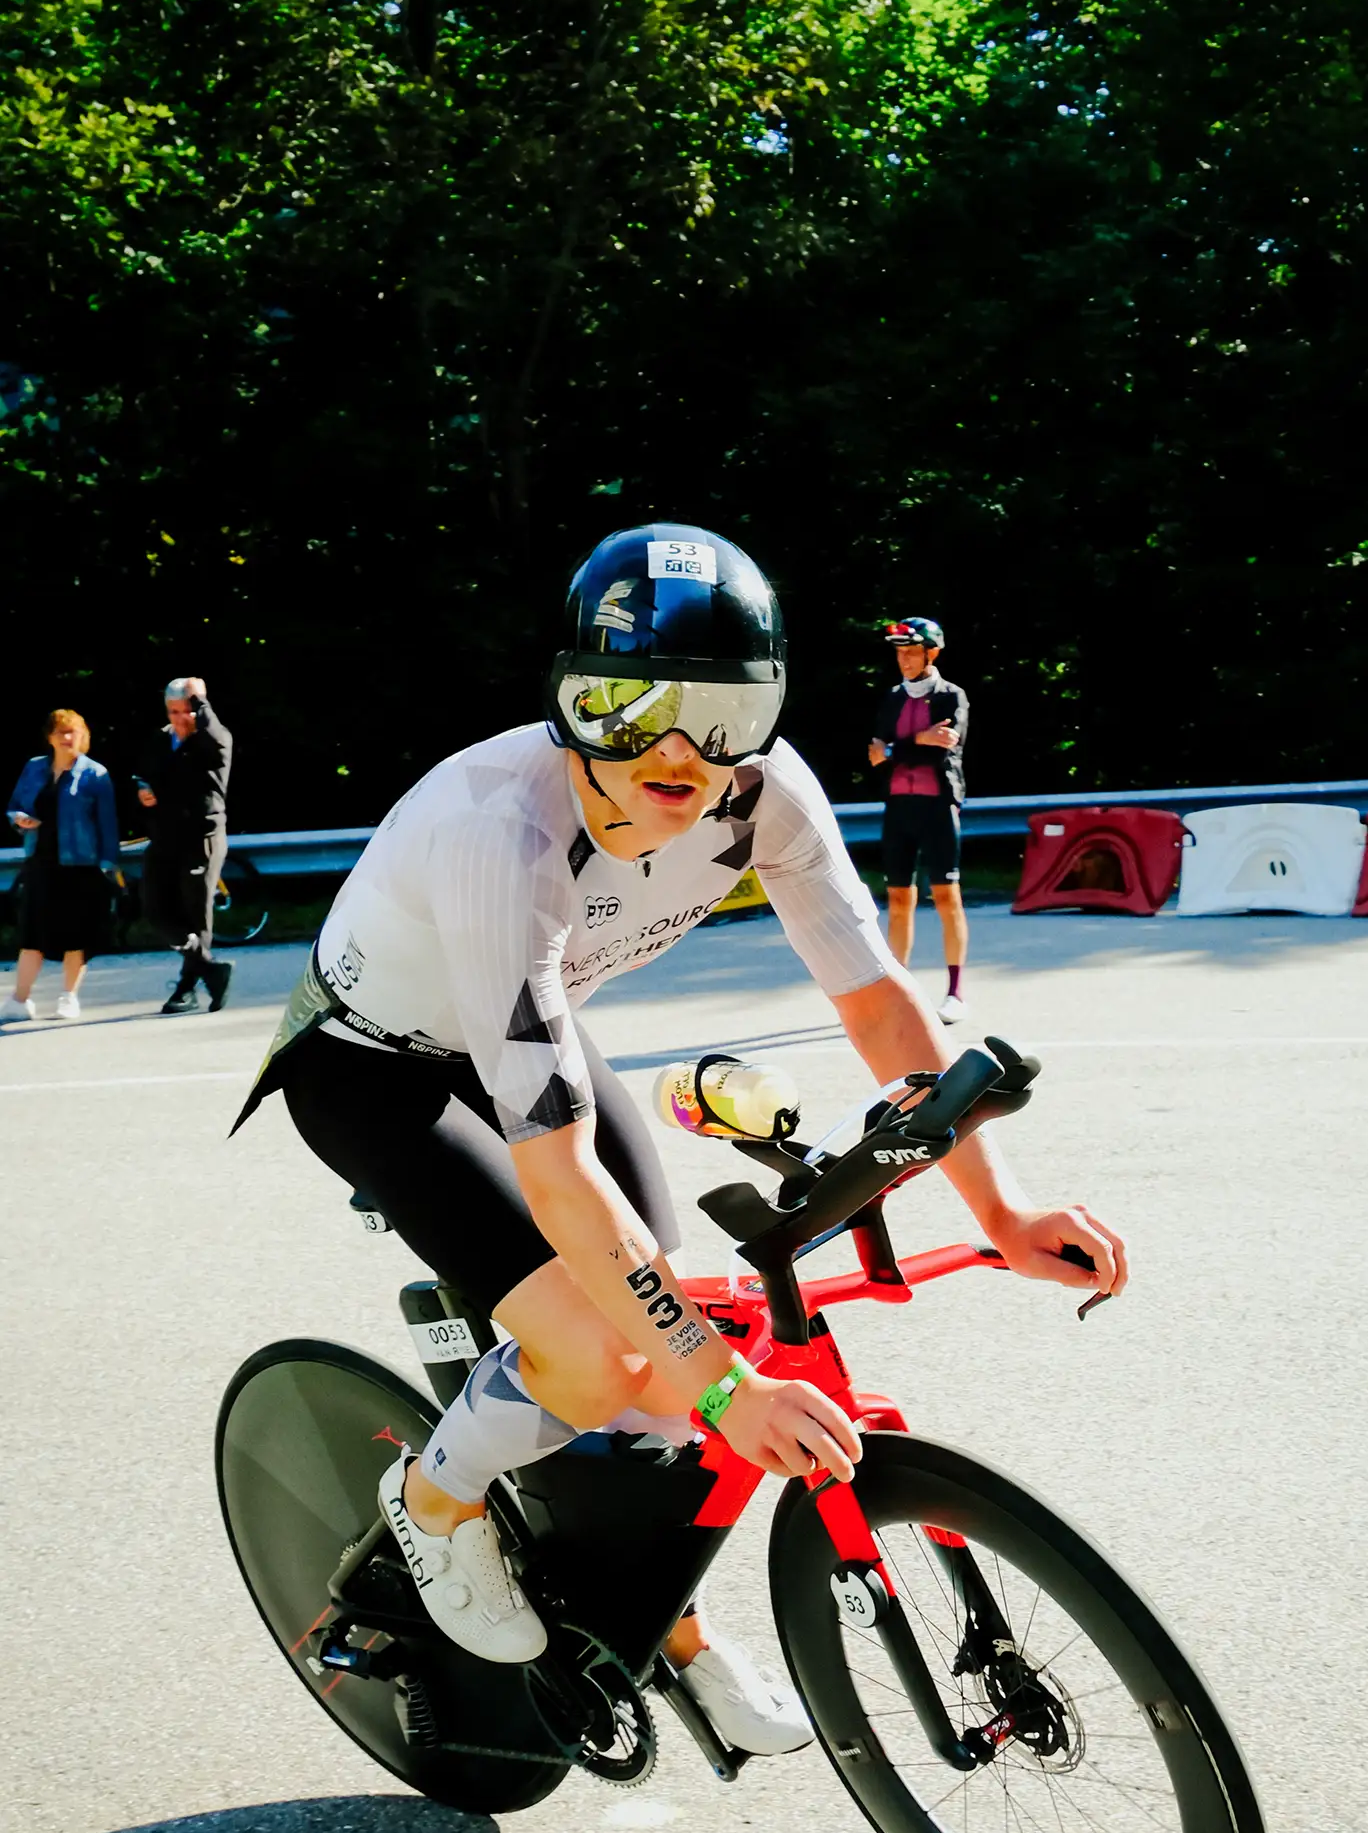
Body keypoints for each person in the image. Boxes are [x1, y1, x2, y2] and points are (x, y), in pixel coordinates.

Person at [236, 523, 1127, 1755]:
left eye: (722, 711)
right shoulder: (503, 833)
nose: (676, 751)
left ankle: (658, 1625)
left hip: (528, 1035)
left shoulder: (767, 793)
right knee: (612, 1356)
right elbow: (556, 1173)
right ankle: (431, 1503)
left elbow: (875, 1001)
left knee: (669, 1346)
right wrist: (724, 1381)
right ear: (569, 702)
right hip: (377, 1067)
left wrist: (1002, 1210)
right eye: (632, 704)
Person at [867, 617, 970, 1026]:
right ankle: (901, 989)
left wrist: (896, 749)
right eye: (899, 653)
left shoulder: (951, 697)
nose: (904, 660)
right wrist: (911, 743)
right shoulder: (892, 697)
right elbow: (876, 753)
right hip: (898, 807)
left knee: (947, 896)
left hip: (938, 806)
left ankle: (956, 992)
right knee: (898, 900)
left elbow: (942, 747)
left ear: (932, 653)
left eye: (911, 652)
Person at [2, 710, 120, 1024]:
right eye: (60, 733)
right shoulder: (34, 768)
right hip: (40, 863)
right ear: (50, 737)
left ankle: (69, 997)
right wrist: (18, 819)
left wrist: (108, 865)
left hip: (80, 866)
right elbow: (14, 806)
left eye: (73, 732)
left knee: (75, 936)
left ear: (83, 736)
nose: (67, 738)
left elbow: (108, 824)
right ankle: (19, 999)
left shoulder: (95, 774)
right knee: (31, 934)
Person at [136, 677, 234, 1013]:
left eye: (187, 710)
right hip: (165, 836)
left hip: (201, 838)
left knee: (196, 915)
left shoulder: (213, 739)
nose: (181, 718)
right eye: (174, 711)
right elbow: (144, 773)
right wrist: (143, 791)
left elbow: (213, 735)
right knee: (154, 908)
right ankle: (210, 968)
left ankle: (186, 989)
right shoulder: (160, 740)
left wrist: (200, 702)